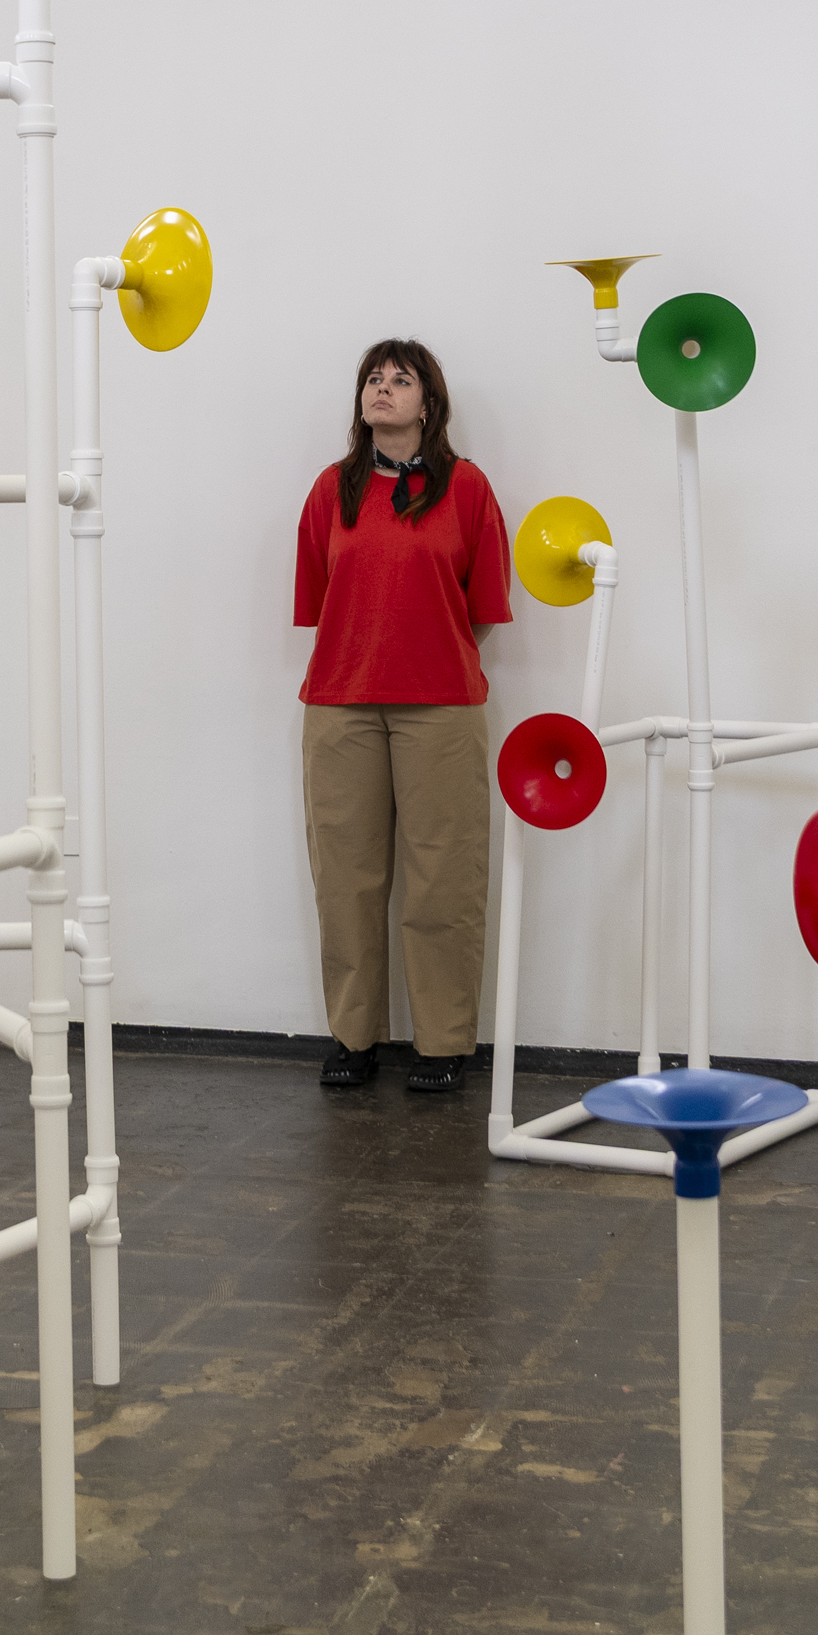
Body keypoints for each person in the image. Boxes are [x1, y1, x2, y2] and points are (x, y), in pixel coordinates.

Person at [291, 338, 511, 1093]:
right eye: (373, 380)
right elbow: (321, 600)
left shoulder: (469, 489)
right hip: (341, 704)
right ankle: (354, 1038)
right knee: (346, 878)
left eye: (400, 379)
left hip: (442, 706)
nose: (383, 390)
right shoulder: (331, 490)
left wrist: (429, 653)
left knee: (442, 878)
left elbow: (481, 608)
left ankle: (445, 1042)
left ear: (429, 403)